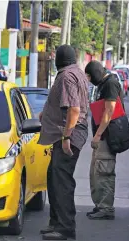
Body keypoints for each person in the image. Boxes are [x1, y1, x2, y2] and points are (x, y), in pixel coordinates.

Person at [38, 45, 89, 240]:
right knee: (54, 178)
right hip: (67, 134)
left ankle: (65, 227)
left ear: (58, 60)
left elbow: (74, 109)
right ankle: (56, 222)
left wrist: (67, 137)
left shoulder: (67, 76)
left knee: (62, 182)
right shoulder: (77, 72)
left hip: (68, 136)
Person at [85, 60, 124, 220]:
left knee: (104, 172)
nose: (88, 79)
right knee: (96, 173)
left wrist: (98, 134)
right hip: (102, 138)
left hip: (107, 138)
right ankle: (100, 205)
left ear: (95, 73)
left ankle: (106, 208)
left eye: (89, 76)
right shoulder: (103, 84)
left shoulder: (110, 84)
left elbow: (109, 110)